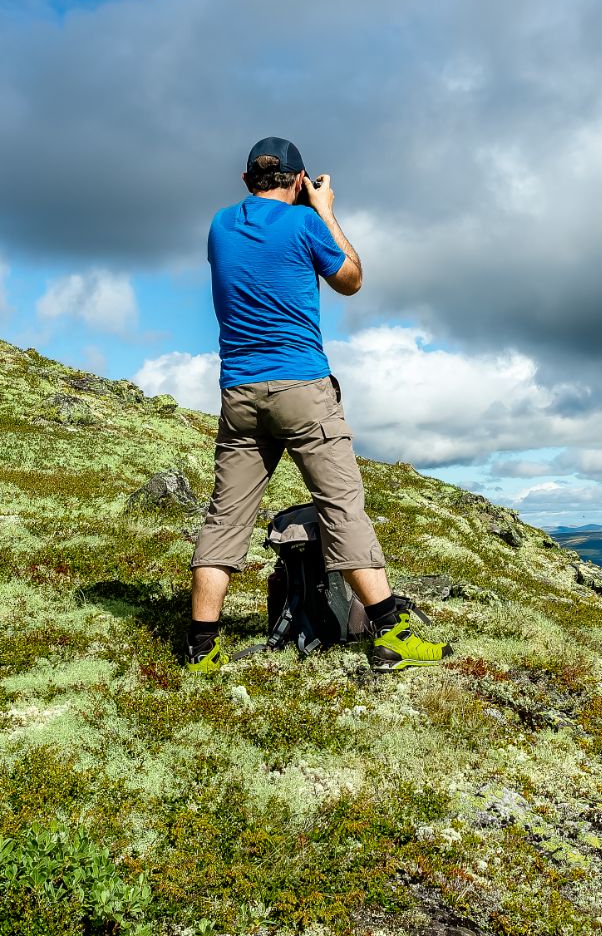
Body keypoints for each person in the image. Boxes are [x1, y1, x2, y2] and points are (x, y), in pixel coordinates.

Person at [184, 136, 450, 675]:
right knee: (341, 506)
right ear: (301, 180)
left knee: (226, 515)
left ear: (246, 180)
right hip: (302, 387)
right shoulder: (306, 223)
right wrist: (325, 211)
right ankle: (391, 632)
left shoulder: (219, 225)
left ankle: (201, 645)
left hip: (239, 392)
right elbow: (351, 280)